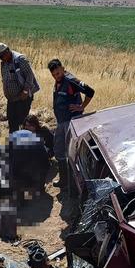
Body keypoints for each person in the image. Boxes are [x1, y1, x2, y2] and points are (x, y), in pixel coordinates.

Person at [47, 58, 95, 189]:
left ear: (63, 68)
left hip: (71, 122)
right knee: (59, 150)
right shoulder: (58, 82)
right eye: (54, 74)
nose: (57, 76)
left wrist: (81, 106)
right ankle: (64, 180)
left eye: (58, 72)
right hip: (61, 122)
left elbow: (90, 91)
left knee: (71, 153)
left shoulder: (71, 81)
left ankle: (73, 184)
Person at [0, 42, 39, 132]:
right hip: (11, 99)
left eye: (1, 56)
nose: (1, 58)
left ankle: (22, 143)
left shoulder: (20, 59)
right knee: (11, 121)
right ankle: (12, 144)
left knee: (21, 122)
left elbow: (29, 75)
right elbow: (4, 78)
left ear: (7, 51)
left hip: (23, 98)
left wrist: (25, 91)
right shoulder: (3, 63)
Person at [8, 124, 51, 202]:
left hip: (31, 162)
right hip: (41, 162)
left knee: (17, 174)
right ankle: (38, 187)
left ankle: (20, 197)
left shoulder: (10, 144)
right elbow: (46, 162)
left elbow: (14, 167)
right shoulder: (35, 139)